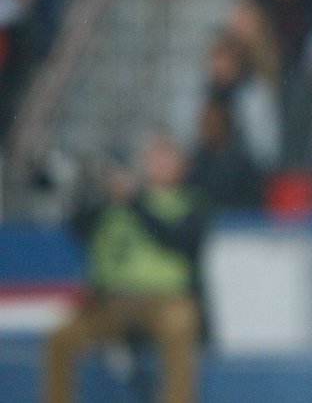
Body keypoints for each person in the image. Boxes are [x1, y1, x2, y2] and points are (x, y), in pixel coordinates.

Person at [42, 133, 210, 403]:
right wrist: (92, 187)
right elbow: (78, 227)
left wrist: (135, 200)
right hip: (111, 302)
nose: (157, 164)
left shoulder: (189, 201)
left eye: (166, 158)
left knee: (180, 326)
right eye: (153, 157)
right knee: (60, 337)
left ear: (181, 166)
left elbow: (178, 239)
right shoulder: (115, 203)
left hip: (165, 301)